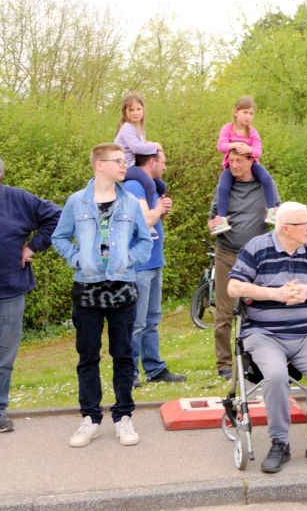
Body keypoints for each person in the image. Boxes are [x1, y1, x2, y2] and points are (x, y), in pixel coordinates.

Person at [227, 202, 307, 473]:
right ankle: (280, 442)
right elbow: (233, 287)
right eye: (305, 224)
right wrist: (275, 294)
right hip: (264, 333)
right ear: (286, 228)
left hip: (306, 333)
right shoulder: (257, 248)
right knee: (276, 375)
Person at [52, 143, 153, 447]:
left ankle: (123, 417)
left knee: (123, 354)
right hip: (87, 288)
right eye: (118, 161)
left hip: (122, 287)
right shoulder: (76, 202)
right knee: (88, 356)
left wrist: (128, 259)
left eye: (124, 160)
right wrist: (78, 259)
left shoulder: (130, 202)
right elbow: (59, 237)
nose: (124, 166)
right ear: (99, 165)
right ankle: (90, 418)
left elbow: (145, 241)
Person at [0, 152, 61, 433]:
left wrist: (32, 247)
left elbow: (56, 217)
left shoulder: (17, 199)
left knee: (3, 356)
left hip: (9, 290)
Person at [207, 150, 276, 379]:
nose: (234, 165)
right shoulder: (224, 187)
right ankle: (224, 364)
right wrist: (214, 224)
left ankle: (256, 359)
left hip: (257, 257)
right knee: (224, 312)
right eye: (231, 161)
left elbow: (278, 214)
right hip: (227, 254)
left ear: (250, 161)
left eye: (239, 161)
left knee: (259, 310)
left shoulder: (265, 185)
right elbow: (211, 220)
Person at [122, 152, 186, 388]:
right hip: (139, 265)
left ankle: (154, 369)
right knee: (136, 323)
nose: (165, 167)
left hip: (155, 261)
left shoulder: (151, 187)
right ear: (152, 162)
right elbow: (143, 222)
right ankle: (129, 373)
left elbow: (155, 220)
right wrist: (158, 209)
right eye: (163, 162)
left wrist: (162, 210)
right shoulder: (133, 186)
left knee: (152, 320)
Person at [212, 96, 279, 235]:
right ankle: (222, 219)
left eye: (251, 113)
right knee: (223, 186)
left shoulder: (252, 132)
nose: (248, 116)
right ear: (236, 112)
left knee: (267, 179)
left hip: (251, 165)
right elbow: (221, 146)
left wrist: (249, 149)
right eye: (245, 112)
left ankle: (271, 210)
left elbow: (258, 151)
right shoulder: (227, 129)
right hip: (231, 166)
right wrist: (234, 145)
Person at [113, 94, 166, 203]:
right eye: (131, 110)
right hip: (126, 166)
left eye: (138, 109)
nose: (136, 113)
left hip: (134, 164)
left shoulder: (138, 128)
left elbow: (141, 144)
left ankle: (161, 204)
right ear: (125, 112)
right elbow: (136, 147)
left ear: (143, 110)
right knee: (150, 184)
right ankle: (148, 210)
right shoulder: (127, 127)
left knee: (161, 186)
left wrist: (150, 144)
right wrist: (155, 146)